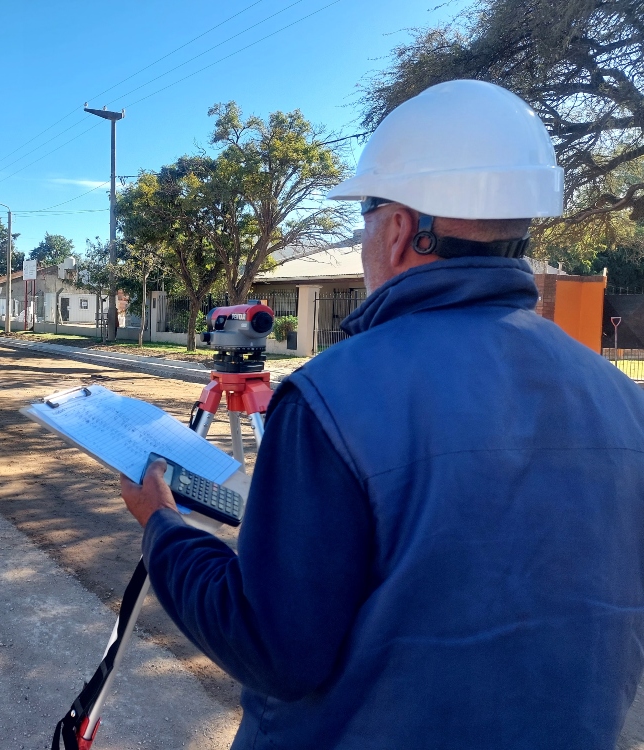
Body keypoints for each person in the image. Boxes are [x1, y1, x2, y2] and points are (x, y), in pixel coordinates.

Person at [120, 80, 644, 749]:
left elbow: (271, 647)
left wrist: (161, 526)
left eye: (365, 213)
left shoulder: (331, 400)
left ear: (399, 230)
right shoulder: (624, 402)